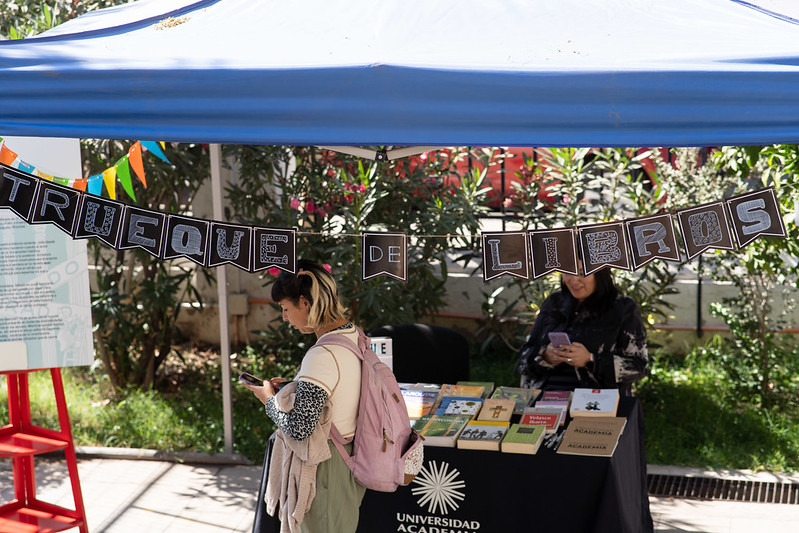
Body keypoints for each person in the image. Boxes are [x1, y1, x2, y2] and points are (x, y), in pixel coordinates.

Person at [243, 260, 365, 533]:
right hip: (349, 459)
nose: (285, 318)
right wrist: (294, 386)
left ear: (305, 303)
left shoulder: (322, 355)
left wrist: (268, 401)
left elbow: (299, 428)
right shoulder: (353, 335)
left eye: (286, 309)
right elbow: (339, 389)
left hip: (325, 470)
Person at [517, 266, 648, 396]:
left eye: (581, 273)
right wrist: (545, 356)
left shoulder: (623, 308)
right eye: (568, 272)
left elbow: (638, 367)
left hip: (595, 401)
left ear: (599, 274)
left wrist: (590, 360)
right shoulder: (554, 302)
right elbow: (524, 358)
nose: (574, 280)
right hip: (545, 398)